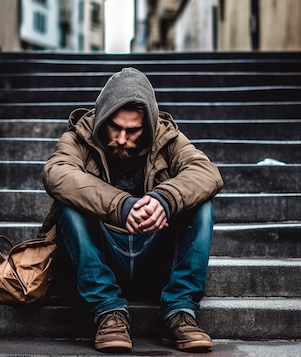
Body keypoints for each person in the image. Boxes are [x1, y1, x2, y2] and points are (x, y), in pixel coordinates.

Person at [41, 67, 223, 353]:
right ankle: (107, 311)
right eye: (115, 127)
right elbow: (56, 172)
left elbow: (206, 172)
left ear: (148, 125)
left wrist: (165, 199)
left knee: (200, 202)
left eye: (133, 130)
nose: (123, 138)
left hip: (154, 254)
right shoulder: (79, 137)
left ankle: (180, 311)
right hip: (103, 252)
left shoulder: (167, 138)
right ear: (103, 118)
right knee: (69, 204)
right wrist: (121, 206)